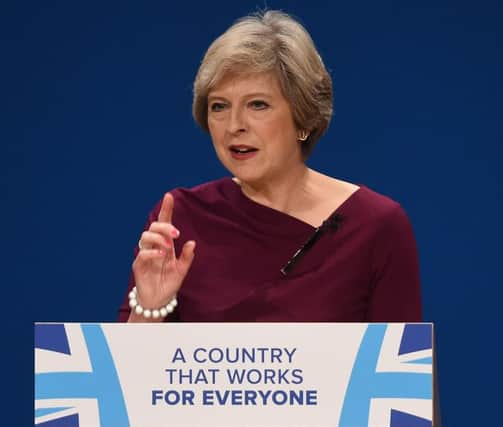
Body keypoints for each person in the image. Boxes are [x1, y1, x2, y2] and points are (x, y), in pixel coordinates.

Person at [118, 10, 422, 323]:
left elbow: (397, 368)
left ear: (302, 118)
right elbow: (126, 370)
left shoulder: (376, 226)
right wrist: (151, 305)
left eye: (257, 105)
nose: (234, 125)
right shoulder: (179, 221)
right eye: (219, 106)